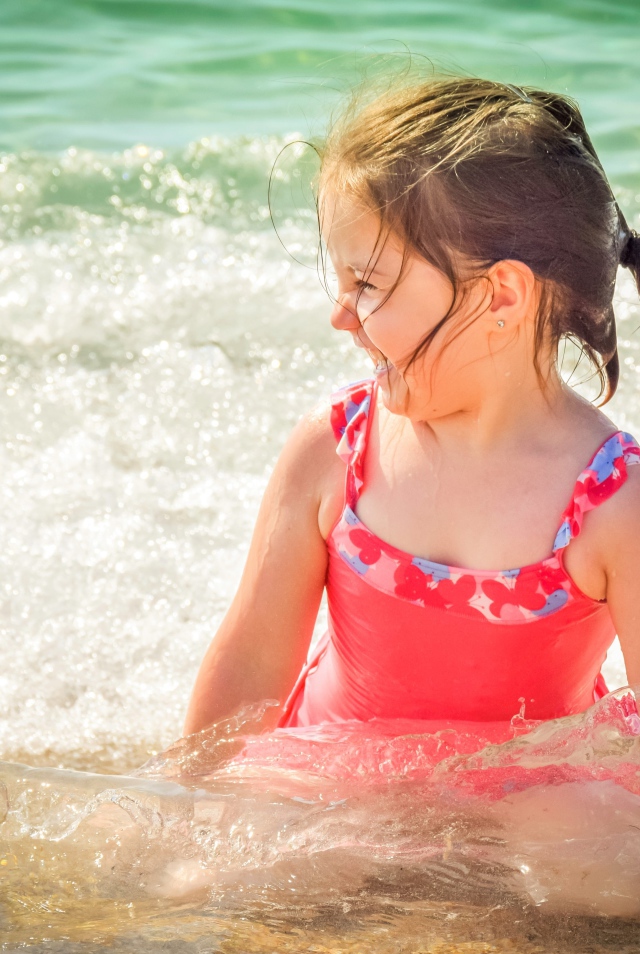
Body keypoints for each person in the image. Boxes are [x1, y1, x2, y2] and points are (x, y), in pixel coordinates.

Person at [184, 75, 640, 744]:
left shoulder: (611, 504)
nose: (340, 316)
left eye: (367, 284)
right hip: (334, 784)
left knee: (558, 837)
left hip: (525, 811)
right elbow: (251, 666)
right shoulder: (337, 449)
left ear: (501, 296)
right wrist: (185, 810)